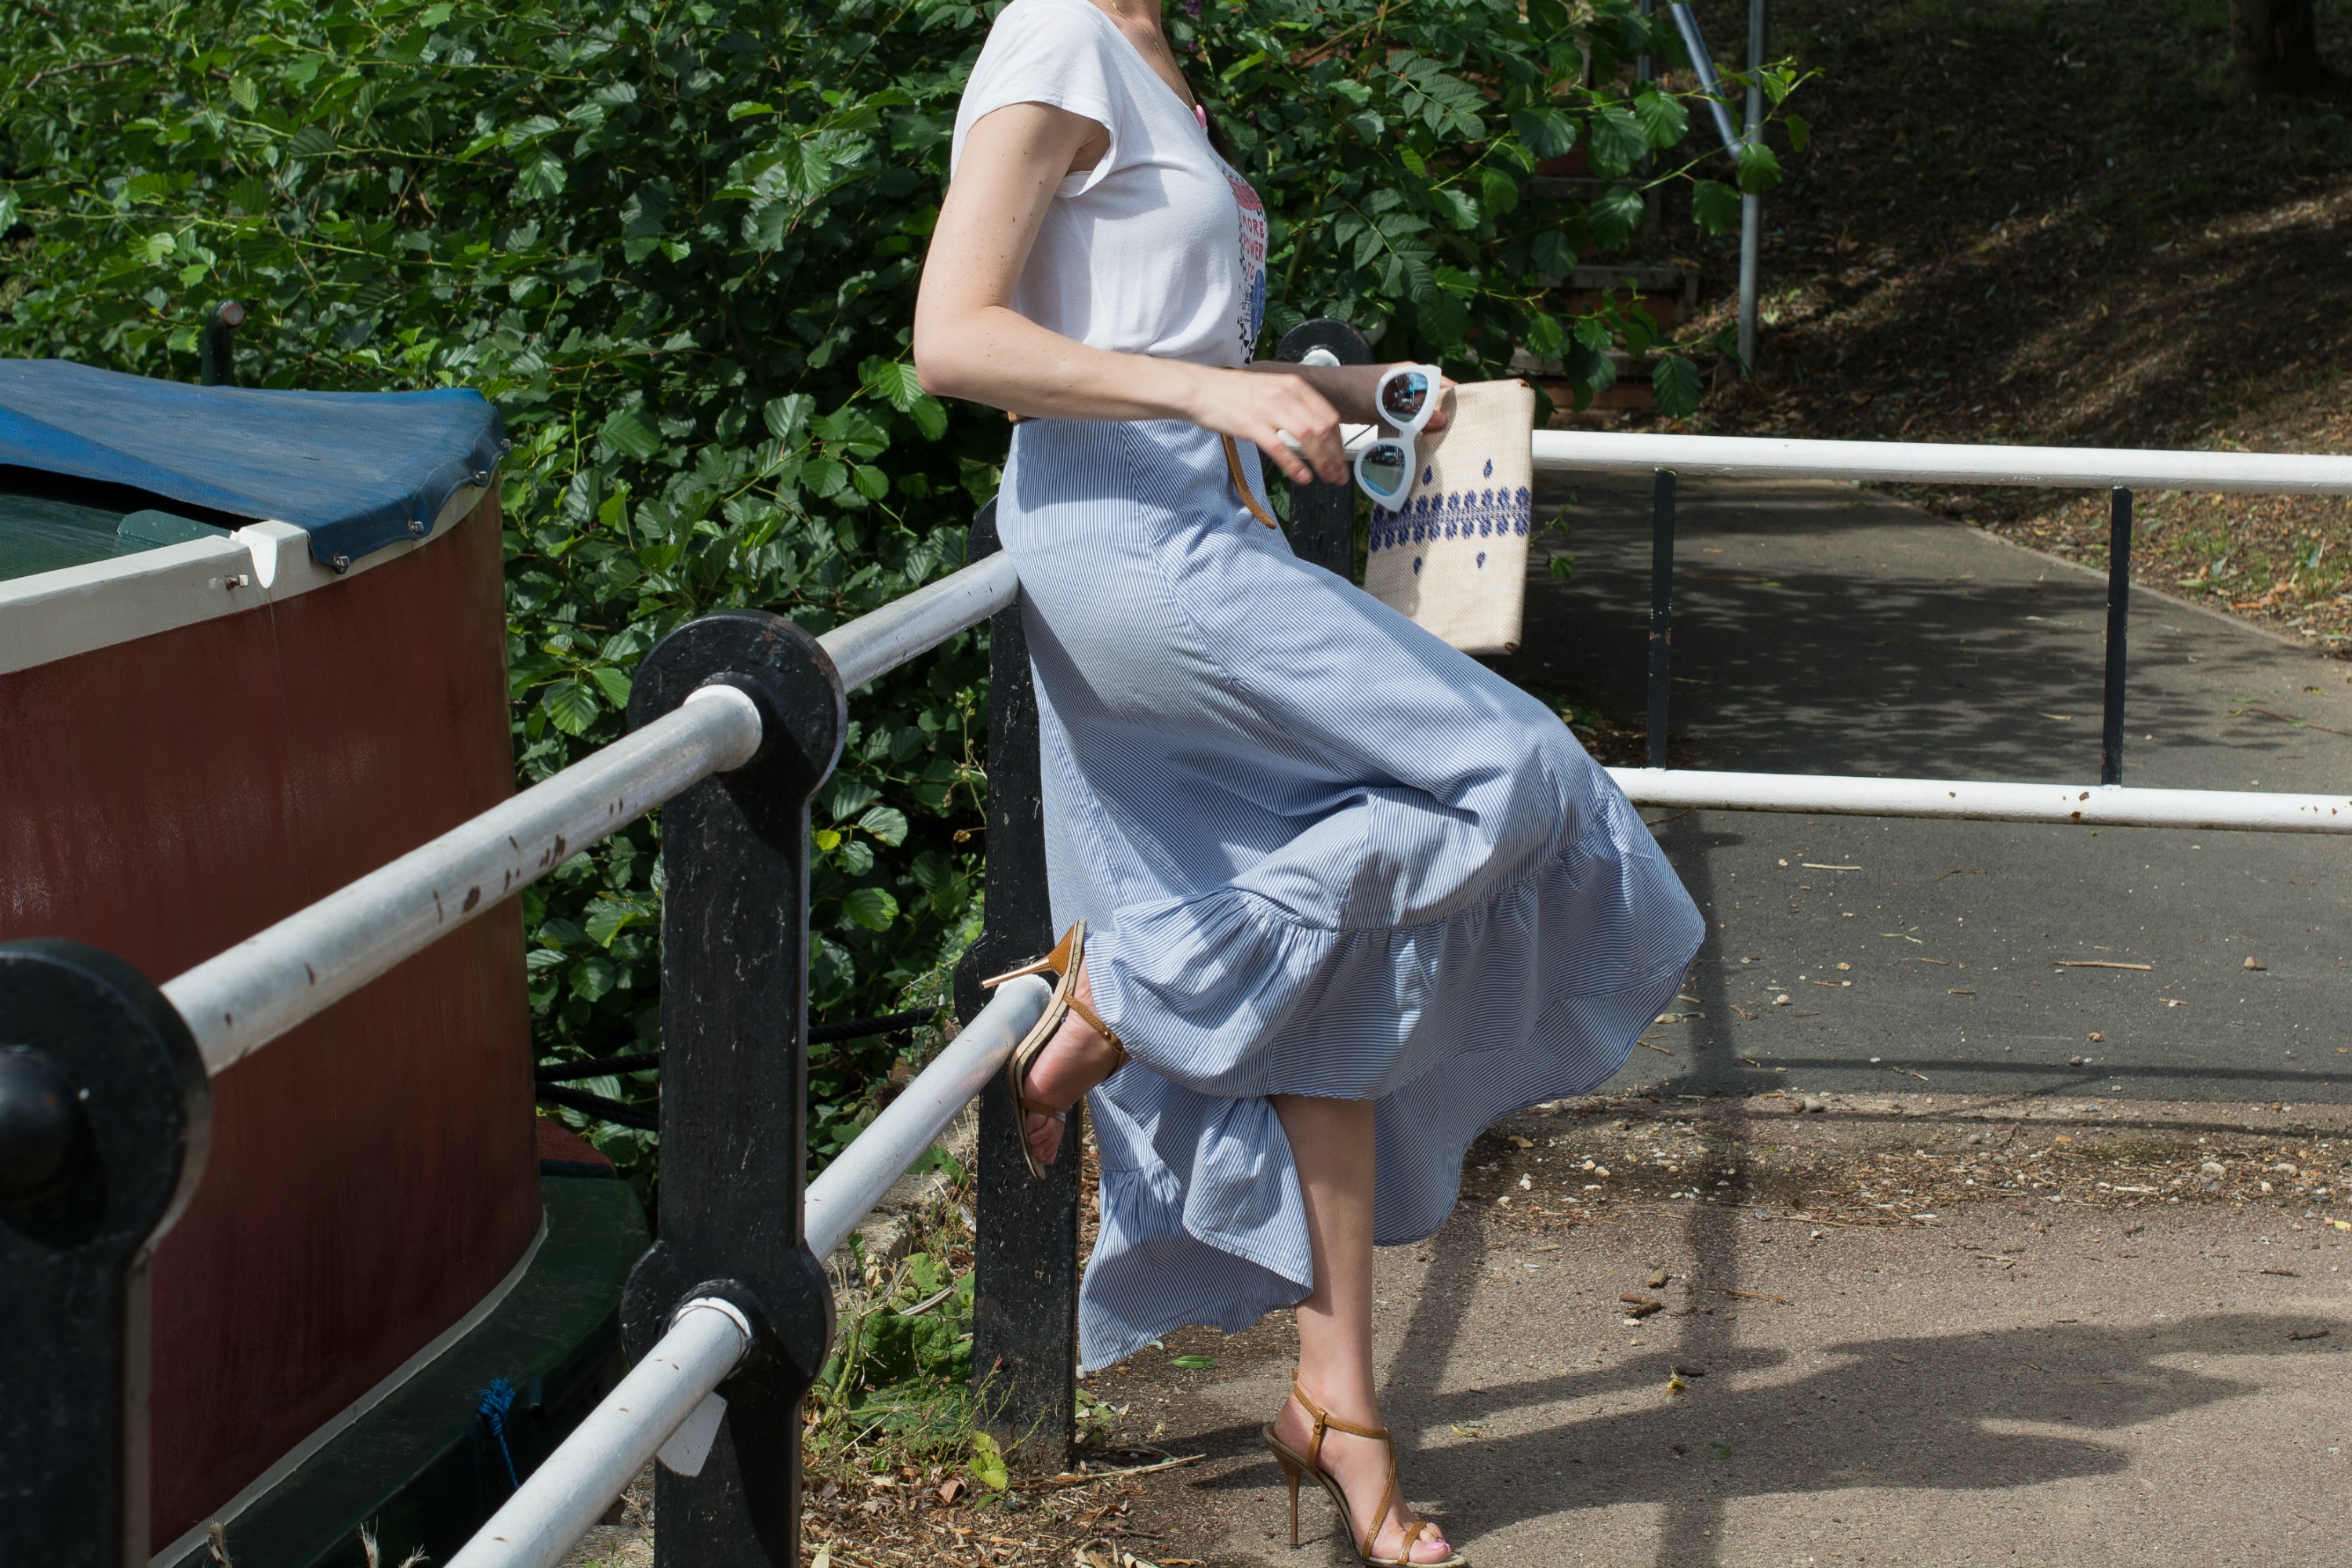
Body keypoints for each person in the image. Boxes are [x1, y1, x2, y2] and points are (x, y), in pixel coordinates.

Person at [913, 2, 1703, 1560]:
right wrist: (1217, 400)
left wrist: (1329, 386)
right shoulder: (1058, 34)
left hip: (1196, 527)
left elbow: (1155, 335)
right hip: (1129, 540)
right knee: (1515, 773)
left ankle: (1335, 1396)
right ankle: (1125, 989)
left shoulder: (1151, 59)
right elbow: (958, 340)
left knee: (1349, 946)